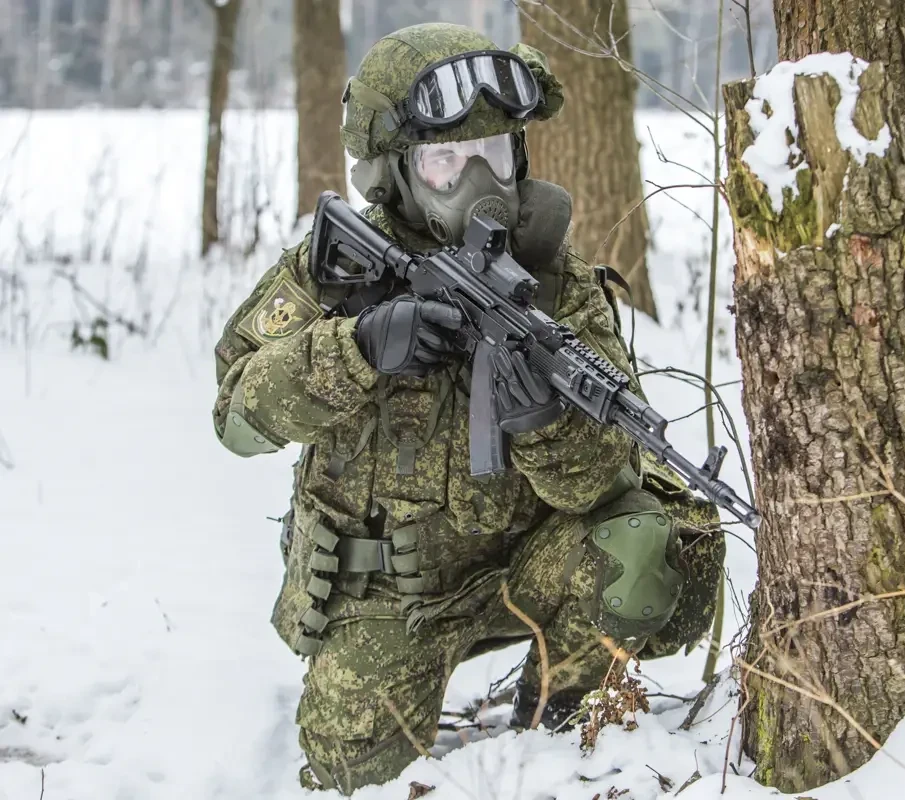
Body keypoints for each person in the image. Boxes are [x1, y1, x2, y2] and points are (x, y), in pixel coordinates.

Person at [211, 22, 725, 794]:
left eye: (492, 155)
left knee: (646, 538)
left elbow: (607, 483)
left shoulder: (553, 285)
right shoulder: (337, 270)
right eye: (445, 161)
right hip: (391, 593)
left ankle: (558, 734)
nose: (476, 181)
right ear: (394, 171)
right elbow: (236, 419)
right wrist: (357, 348)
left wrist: (545, 425)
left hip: (522, 571)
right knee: (353, 779)